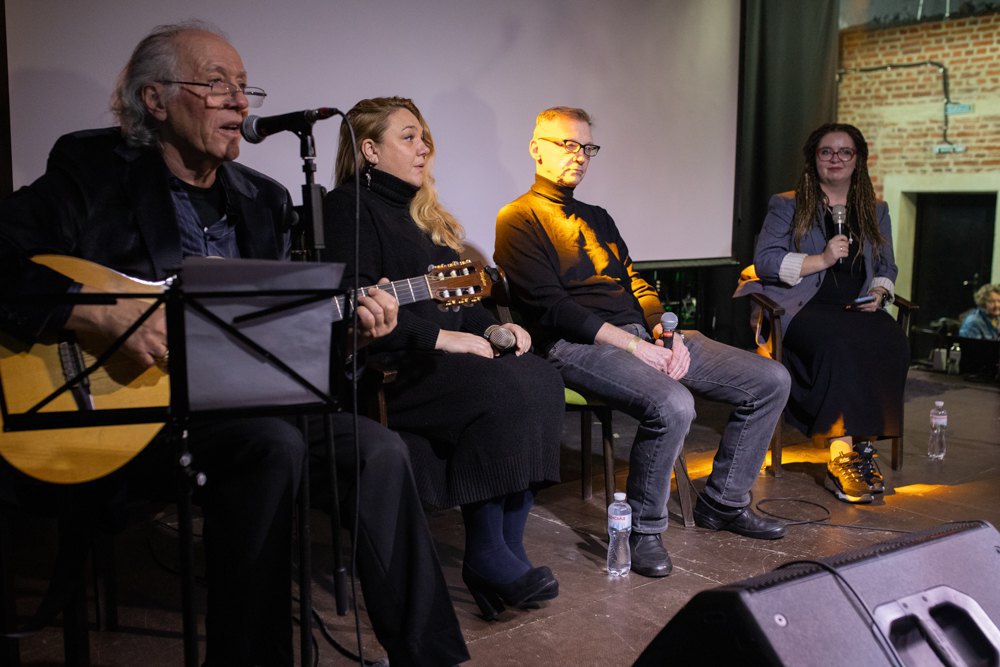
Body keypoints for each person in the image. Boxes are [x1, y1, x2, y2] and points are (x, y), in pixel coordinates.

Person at [0, 23, 468, 666]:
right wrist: (91, 316)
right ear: (154, 100)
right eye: (216, 85)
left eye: (245, 89)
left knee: (379, 451)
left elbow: (288, 337)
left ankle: (431, 656)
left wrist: (356, 332)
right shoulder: (91, 173)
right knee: (270, 445)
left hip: (244, 405)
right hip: (128, 418)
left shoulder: (265, 200)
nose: (240, 104)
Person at [494, 106, 791, 579]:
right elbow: (554, 309)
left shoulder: (599, 217)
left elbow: (636, 283)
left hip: (639, 337)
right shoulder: (518, 218)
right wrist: (636, 348)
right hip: (576, 347)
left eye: (586, 147)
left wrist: (661, 332)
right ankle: (644, 529)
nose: (579, 156)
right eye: (566, 144)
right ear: (536, 148)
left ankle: (724, 503)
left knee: (770, 379)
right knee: (674, 403)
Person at [322, 97, 565, 620]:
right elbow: (358, 307)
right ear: (370, 150)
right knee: (502, 389)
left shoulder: (424, 215)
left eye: (424, 137)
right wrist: (440, 340)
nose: (423, 148)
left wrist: (496, 328)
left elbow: (464, 299)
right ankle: (484, 552)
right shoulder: (348, 208)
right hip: (391, 367)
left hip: (450, 363)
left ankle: (508, 544)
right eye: (408, 137)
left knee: (541, 376)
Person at [735, 122, 910, 505]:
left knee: (891, 340)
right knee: (840, 345)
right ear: (814, 159)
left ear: (857, 160)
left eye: (844, 152)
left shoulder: (875, 211)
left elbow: (887, 265)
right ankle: (841, 455)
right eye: (826, 152)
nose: (835, 159)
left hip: (856, 305)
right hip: (804, 307)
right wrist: (822, 258)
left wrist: (880, 292)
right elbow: (765, 261)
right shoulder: (788, 204)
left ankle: (864, 449)